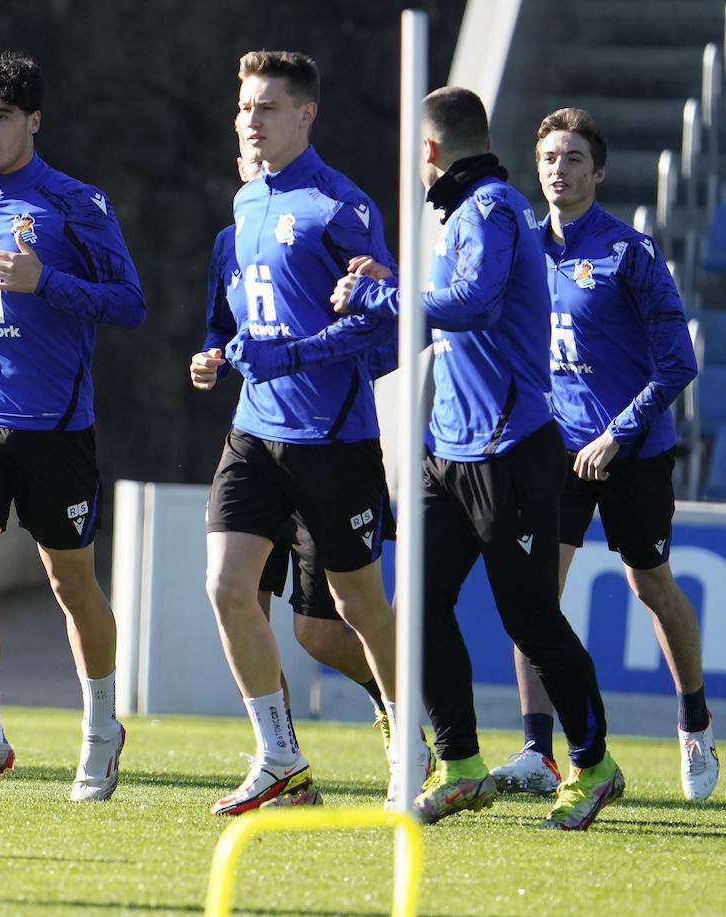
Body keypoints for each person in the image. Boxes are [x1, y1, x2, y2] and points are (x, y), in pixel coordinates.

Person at [333, 86, 625, 830]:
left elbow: (473, 303)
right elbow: (438, 324)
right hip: (446, 450)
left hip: (509, 451)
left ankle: (595, 765)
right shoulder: (461, 213)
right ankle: (461, 763)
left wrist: (384, 296)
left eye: (414, 149)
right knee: (416, 611)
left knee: (529, 617)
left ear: (429, 149)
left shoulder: (493, 207)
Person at [0, 51, 145, 801]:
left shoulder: (78, 203)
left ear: (33, 120)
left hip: (54, 425)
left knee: (71, 582)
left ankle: (103, 729)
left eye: (0, 116)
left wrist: (48, 281)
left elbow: (130, 303)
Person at [188, 50, 416, 816]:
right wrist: (215, 355)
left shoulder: (342, 207)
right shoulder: (244, 208)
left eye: (266, 108)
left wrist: (292, 352)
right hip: (253, 432)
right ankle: (280, 757)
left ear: (306, 115)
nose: (250, 120)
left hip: (333, 437)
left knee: (341, 621)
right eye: (244, 107)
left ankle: (412, 736)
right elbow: (234, 321)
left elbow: (383, 335)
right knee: (225, 586)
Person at [487, 107, 717, 801]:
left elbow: (679, 364)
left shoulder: (630, 252)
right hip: (551, 450)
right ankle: (537, 749)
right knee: (533, 595)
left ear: (599, 170)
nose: (560, 169)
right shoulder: (519, 249)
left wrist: (619, 431)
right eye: (551, 157)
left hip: (633, 450)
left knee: (651, 586)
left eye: (575, 159)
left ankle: (695, 722)